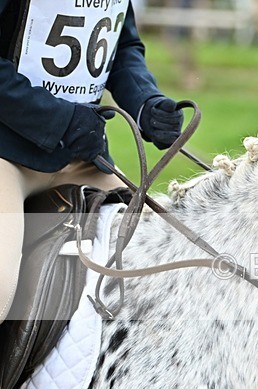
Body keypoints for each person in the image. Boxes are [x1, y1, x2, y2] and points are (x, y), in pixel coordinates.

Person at [0, 0, 183, 323]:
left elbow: (122, 47)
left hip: (83, 159)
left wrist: (146, 103)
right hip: (7, 156)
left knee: (167, 250)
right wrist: (61, 120)